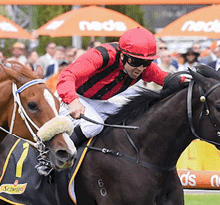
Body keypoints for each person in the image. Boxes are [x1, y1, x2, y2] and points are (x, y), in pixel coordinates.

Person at [57, 27, 186, 145]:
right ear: (123, 55)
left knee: (131, 118)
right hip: (68, 97)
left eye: (146, 62)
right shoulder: (101, 56)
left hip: (96, 102)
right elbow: (67, 75)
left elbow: (169, 79)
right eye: (136, 61)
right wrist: (73, 100)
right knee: (94, 126)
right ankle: (55, 156)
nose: (140, 68)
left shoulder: (144, 68)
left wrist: (196, 81)